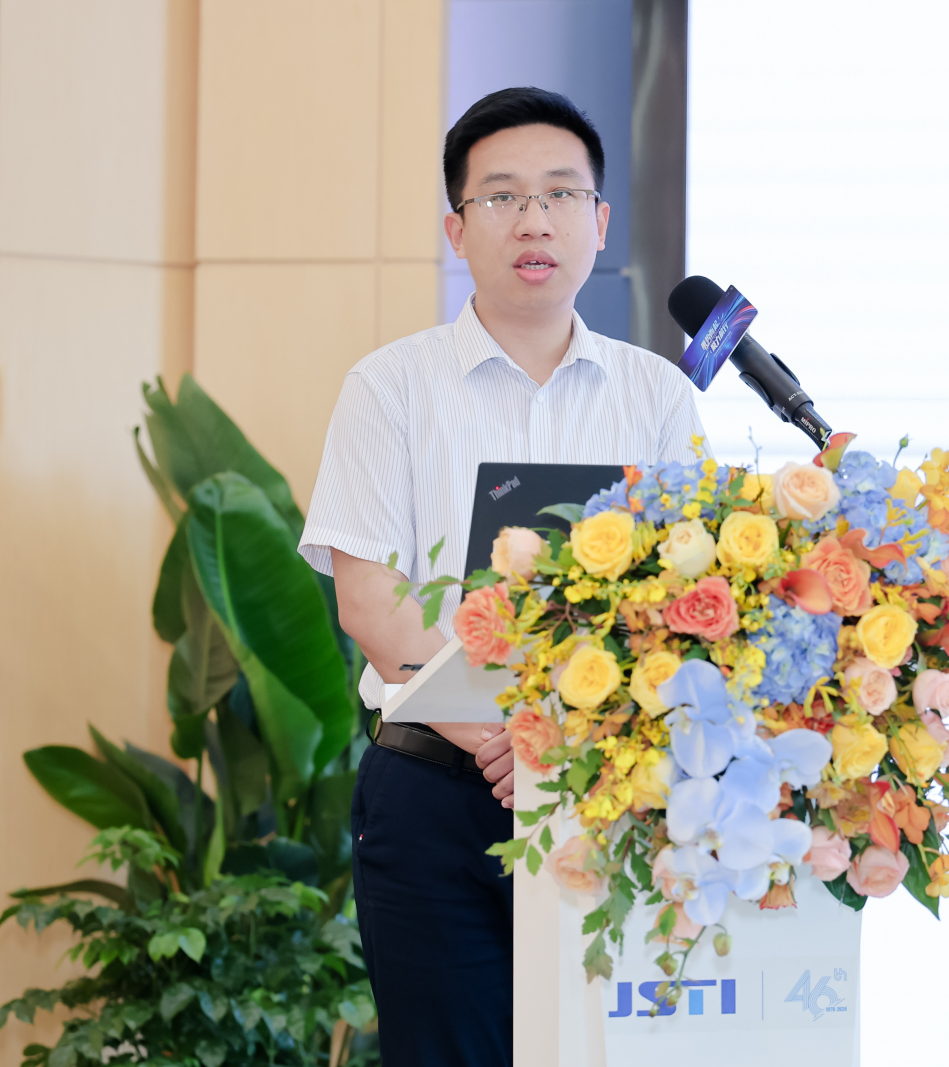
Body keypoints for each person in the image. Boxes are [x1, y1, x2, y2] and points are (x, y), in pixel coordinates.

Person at [297, 87, 706, 1066]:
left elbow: (685, 605)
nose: (534, 220)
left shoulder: (658, 394)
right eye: (502, 197)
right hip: (434, 791)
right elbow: (371, 601)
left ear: (599, 222)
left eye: (561, 193)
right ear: (456, 227)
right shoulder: (389, 386)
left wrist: (565, 755)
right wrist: (504, 739)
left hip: (608, 791)